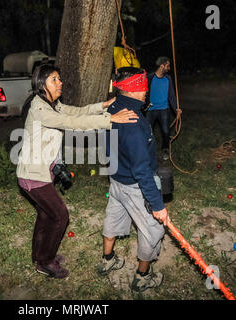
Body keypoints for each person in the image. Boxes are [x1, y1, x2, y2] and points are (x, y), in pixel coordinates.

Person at [16, 64, 140, 279]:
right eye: (54, 79)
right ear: (41, 84)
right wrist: (109, 119)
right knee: (60, 216)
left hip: (41, 172)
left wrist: (103, 105)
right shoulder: (40, 109)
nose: (60, 82)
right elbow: (72, 122)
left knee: (45, 215)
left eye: (59, 78)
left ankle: (39, 256)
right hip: (32, 175)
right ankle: (46, 262)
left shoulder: (53, 105)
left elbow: (76, 111)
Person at [97, 67, 170, 292]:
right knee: (153, 229)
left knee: (113, 217)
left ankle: (107, 259)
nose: (146, 90)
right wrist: (157, 206)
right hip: (133, 186)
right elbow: (142, 171)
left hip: (115, 181)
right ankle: (142, 276)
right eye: (143, 85)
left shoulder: (112, 107)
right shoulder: (135, 122)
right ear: (136, 87)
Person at [145, 56, 182, 160]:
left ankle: (165, 149)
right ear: (162, 66)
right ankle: (148, 151)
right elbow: (145, 93)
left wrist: (176, 109)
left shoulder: (168, 78)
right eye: (167, 66)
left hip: (164, 109)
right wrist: (145, 105)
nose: (169, 68)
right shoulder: (150, 77)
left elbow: (171, 95)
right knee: (147, 132)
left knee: (166, 131)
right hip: (150, 109)